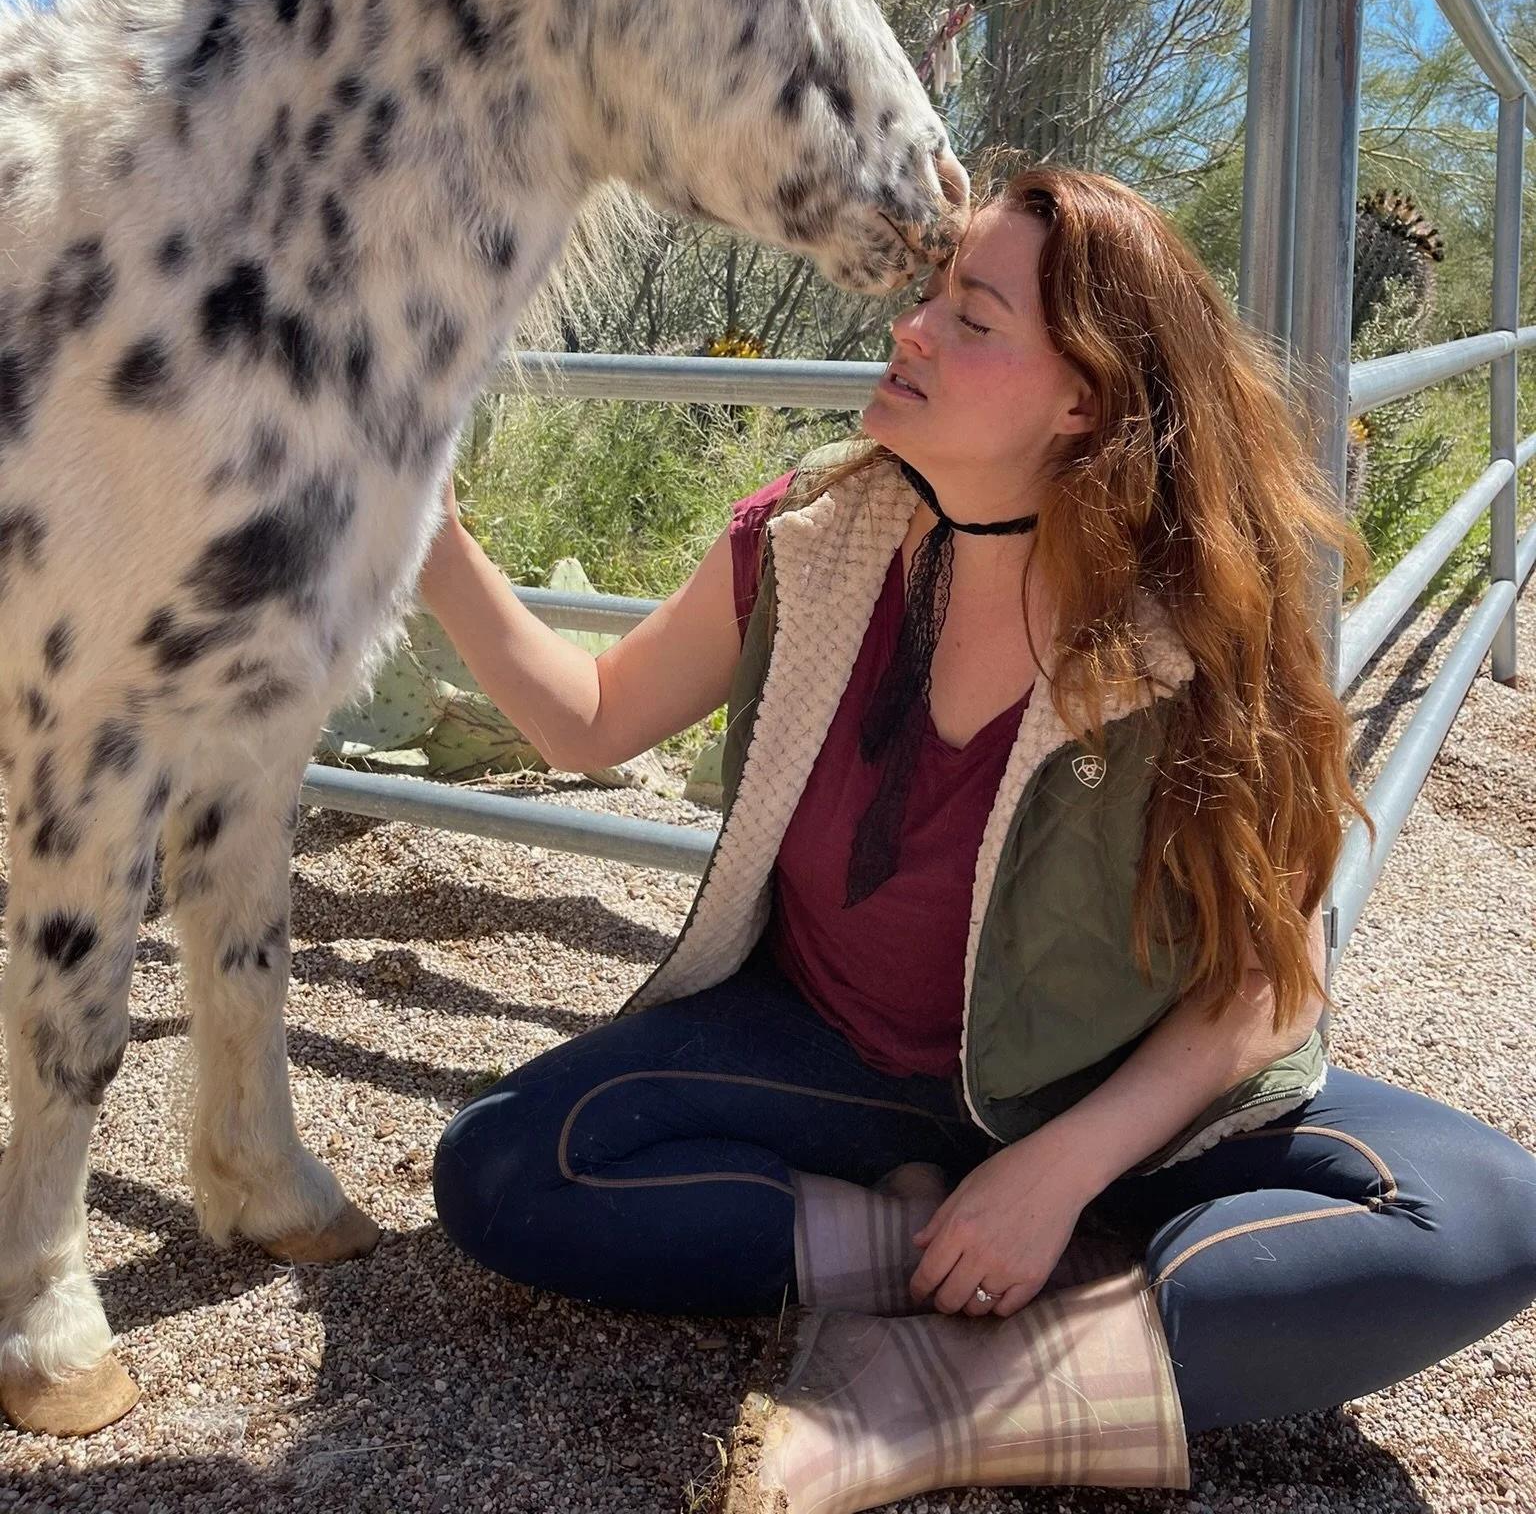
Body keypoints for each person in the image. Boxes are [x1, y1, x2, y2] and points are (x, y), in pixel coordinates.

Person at [419, 168, 1536, 1512]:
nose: (912, 330)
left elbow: (1263, 977)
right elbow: (589, 722)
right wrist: (416, 519)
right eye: (932, 298)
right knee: (503, 1164)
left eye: (974, 316)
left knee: (1479, 1211)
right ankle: (1001, 1275)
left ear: (1086, 398)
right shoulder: (808, 543)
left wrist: (1059, 1170)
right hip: (837, 1061)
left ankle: (944, 1393)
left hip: (1098, 1089)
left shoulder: (1199, 622)